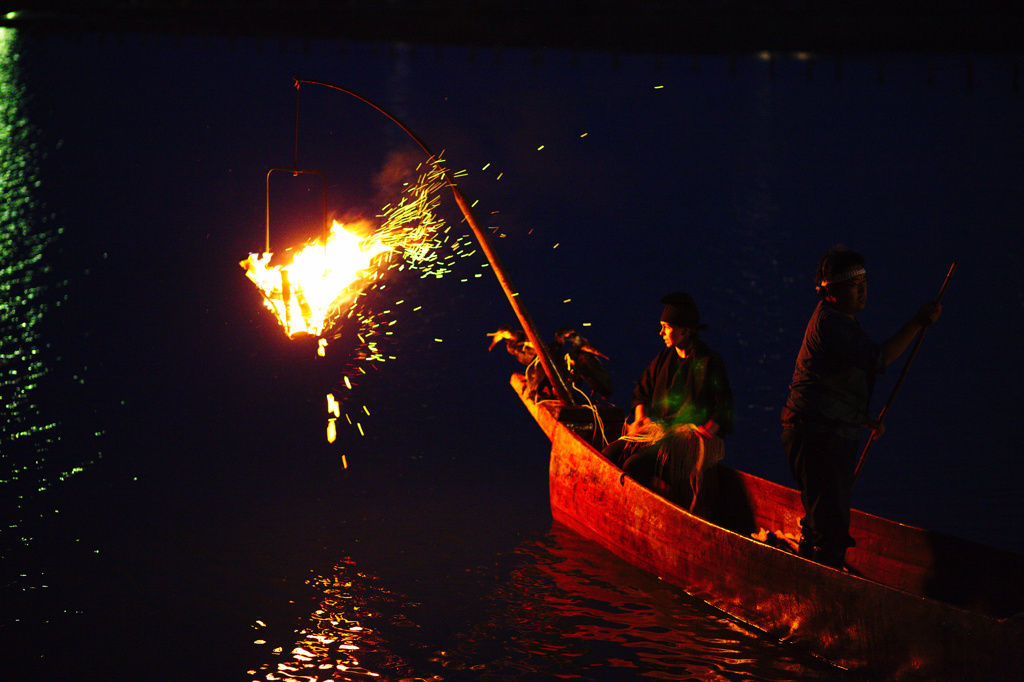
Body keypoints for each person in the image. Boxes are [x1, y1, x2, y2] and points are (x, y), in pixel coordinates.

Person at [781, 245, 942, 569]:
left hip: (826, 430)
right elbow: (877, 358)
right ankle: (820, 590)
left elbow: (832, 385)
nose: (863, 292)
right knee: (831, 527)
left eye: (865, 284)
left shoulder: (842, 321)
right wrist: (917, 322)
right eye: (855, 286)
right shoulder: (831, 323)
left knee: (824, 518)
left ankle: (811, 568)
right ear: (832, 290)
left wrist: (862, 419)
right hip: (815, 435)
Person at [603, 292, 734, 513]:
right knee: (608, 454)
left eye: (666, 326)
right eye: (661, 326)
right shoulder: (665, 357)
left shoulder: (708, 361)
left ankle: (648, 513)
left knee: (633, 466)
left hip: (689, 439)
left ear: (684, 329)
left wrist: (707, 430)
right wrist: (640, 418)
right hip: (663, 432)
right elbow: (642, 390)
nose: (661, 332)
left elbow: (725, 408)